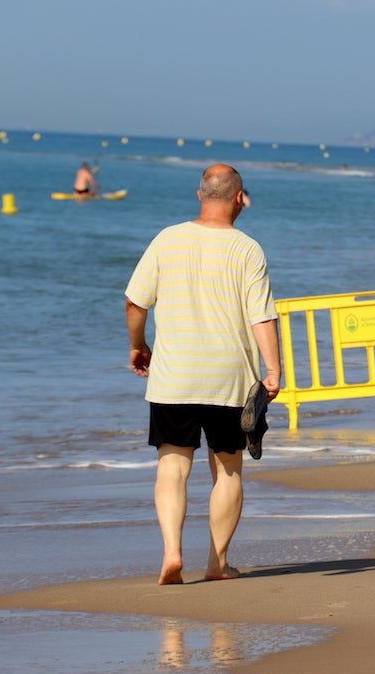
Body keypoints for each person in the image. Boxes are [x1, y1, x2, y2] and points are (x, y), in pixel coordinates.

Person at [125, 164, 282, 585]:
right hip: (228, 378)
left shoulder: (167, 239)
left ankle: (172, 554)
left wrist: (138, 346)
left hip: (175, 376)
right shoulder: (248, 249)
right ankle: (217, 563)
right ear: (239, 198)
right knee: (228, 469)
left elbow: (135, 303)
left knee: (172, 466)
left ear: (200, 195)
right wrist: (273, 371)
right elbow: (262, 317)